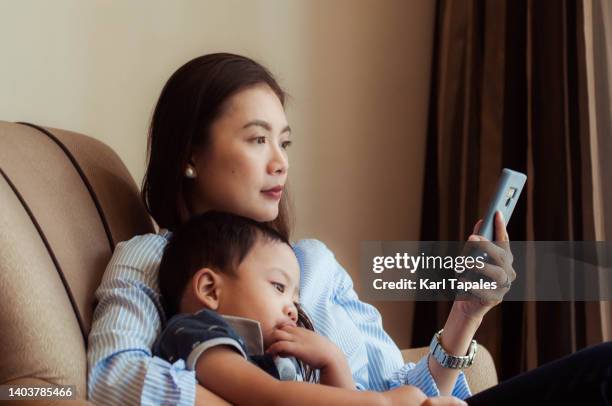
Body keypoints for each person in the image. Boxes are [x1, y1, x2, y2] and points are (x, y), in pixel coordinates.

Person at [86, 52, 611, 406]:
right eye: (256, 139)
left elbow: (402, 386)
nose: (279, 164)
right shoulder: (153, 257)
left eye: (284, 143)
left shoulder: (313, 263)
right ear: (191, 156)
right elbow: (115, 377)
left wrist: (466, 313)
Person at [152, 210, 438, 405]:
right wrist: (383, 401)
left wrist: (332, 362)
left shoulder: (267, 354)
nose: (292, 310)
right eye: (278, 287)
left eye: (295, 300)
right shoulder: (192, 334)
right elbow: (273, 399)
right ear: (210, 290)